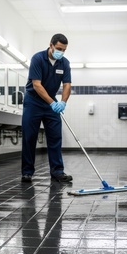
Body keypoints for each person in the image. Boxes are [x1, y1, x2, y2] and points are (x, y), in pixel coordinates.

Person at [21, 33, 73, 183]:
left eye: (64, 50)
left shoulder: (64, 63)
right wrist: (52, 103)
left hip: (51, 102)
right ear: (50, 45)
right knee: (29, 137)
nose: (61, 52)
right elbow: (36, 85)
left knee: (55, 136)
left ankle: (57, 171)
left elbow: (67, 85)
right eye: (58, 49)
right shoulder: (38, 58)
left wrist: (63, 102)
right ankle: (27, 172)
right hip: (33, 102)